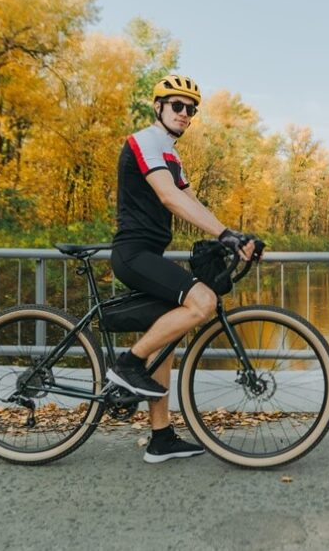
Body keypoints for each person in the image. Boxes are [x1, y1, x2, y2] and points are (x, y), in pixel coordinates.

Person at [107, 74, 259, 463]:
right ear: (158, 107)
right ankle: (127, 364)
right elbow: (168, 197)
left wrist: (232, 236)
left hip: (151, 255)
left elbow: (192, 203)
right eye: (178, 105)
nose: (186, 114)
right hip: (133, 254)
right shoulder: (144, 141)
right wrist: (226, 234)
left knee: (166, 343)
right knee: (203, 301)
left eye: (191, 109)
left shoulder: (172, 155)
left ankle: (161, 439)